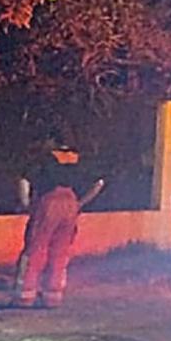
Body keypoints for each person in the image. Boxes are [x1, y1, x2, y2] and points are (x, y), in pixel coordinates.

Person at [16, 132, 104, 308]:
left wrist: (26, 203)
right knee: (60, 251)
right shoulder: (78, 159)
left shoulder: (43, 158)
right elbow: (99, 183)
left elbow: (24, 180)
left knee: (36, 247)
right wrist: (80, 203)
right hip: (70, 205)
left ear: (51, 141)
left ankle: (25, 295)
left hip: (48, 202)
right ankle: (52, 296)